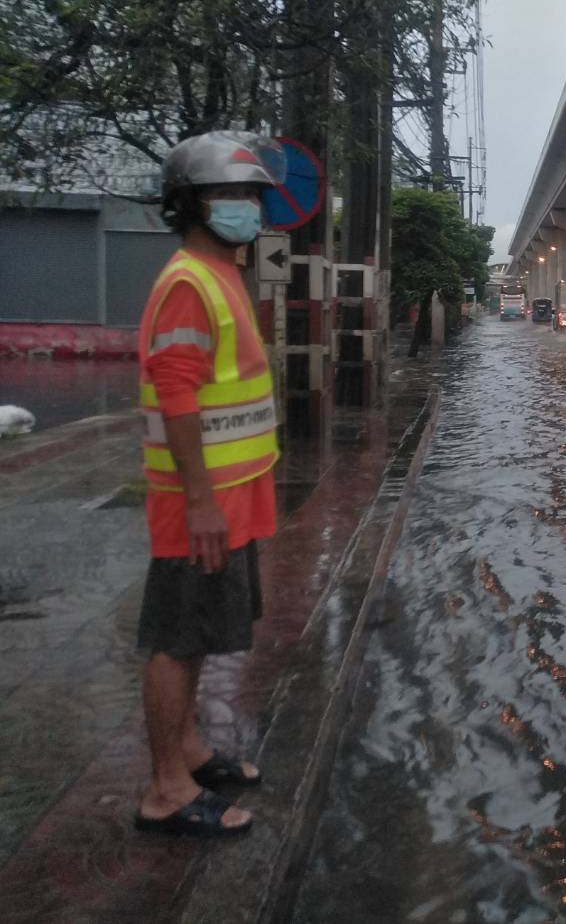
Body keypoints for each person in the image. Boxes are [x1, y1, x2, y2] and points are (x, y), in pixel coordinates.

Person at [133, 132, 280, 838]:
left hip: (228, 495)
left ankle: (188, 750)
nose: (245, 207)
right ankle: (165, 789)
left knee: (197, 636)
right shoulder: (190, 281)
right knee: (177, 637)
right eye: (230, 194)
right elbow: (177, 392)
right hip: (198, 505)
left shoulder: (221, 274)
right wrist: (198, 503)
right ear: (189, 204)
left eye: (252, 195)